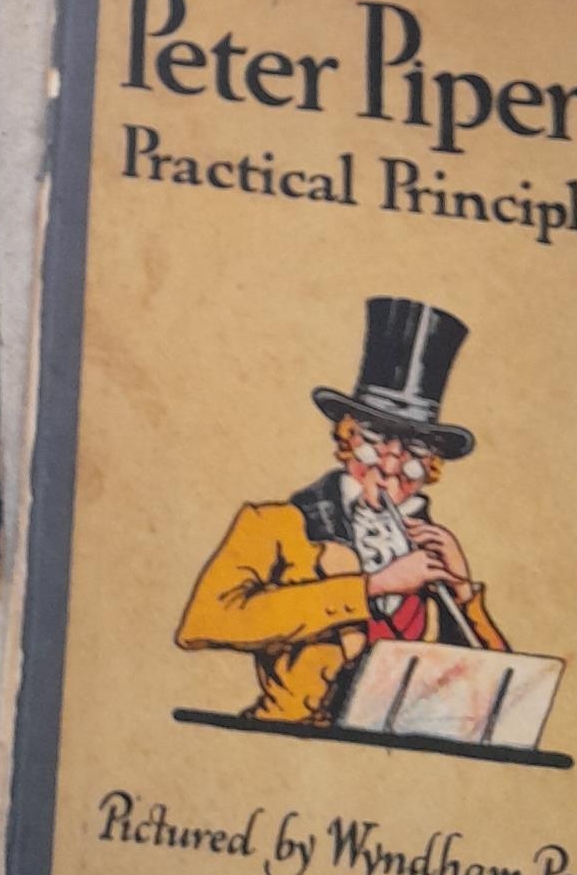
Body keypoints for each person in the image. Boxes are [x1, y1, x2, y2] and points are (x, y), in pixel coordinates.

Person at [175, 296, 506, 727]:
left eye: (413, 450)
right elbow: (203, 622)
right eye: (375, 440)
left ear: (430, 466)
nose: (391, 463)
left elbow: (494, 693)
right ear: (348, 439)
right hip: (286, 741)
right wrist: (372, 586)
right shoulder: (276, 523)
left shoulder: (431, 551)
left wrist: (462, 591)